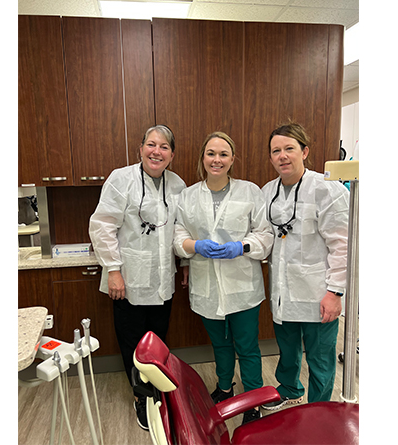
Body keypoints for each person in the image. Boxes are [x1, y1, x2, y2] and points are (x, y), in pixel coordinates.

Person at [88, 125, 187, 431]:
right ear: (141, 148)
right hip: (128, 278)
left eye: (164, 147)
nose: (156, 152)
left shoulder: (178, 185)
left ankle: (156, 389)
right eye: (151, 145)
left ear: (171, 154)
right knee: (132, 342)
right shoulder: (122, 179)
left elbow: (181, 227)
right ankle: (141, 397)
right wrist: (113, 270)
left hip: (162, 279)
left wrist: (183, 264)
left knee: (157, 339)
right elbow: (102, 225)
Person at [172, 131, 274, 426]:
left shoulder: (250, 191)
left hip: (242, 284)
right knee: (220, 344)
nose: (217, 160)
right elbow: (179, 234)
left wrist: (240, 246)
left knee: (247, 345)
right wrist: (194, 247)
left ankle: (254, 398)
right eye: (211, 154)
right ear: (203, 158)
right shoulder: (188, 195)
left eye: (223, 154)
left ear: (232, 159)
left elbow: (265, 234)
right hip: (206, 284)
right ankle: (225, 387)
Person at [260, 122, 350, 411]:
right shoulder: (268, 191)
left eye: (289, 149)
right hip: (283, 289)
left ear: (304, 151)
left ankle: (319, 409)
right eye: (276, 151)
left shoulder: (327, 189)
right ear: (271, 157)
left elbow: (343, 245)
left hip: (317, 292)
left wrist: (335, 292)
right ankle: (289, 389)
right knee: (287, 351)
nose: (282, 156)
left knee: (320, 357)